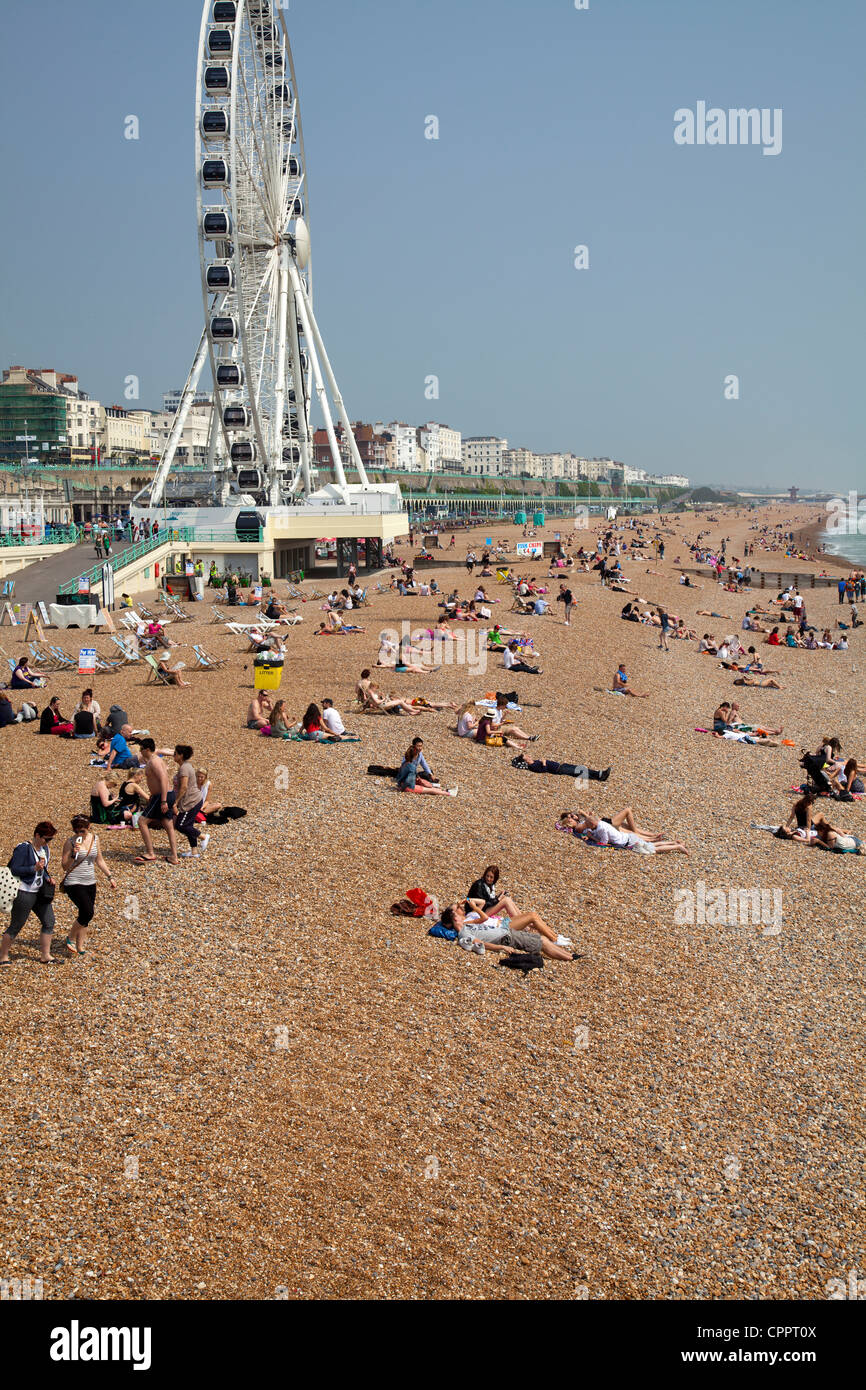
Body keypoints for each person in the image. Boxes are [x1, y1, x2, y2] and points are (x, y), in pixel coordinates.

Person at [1, 822, 59, 965]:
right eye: (47, 839)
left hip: (39, 892)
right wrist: (33, 868)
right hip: (24, 892)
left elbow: (43, 870)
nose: (48, 842)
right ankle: (3, 957)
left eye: (51, 839)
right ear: (37, 835)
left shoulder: (44, 849)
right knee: (16, 925)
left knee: (49, 921)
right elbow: (14, 869)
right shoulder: (24, 848)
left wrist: (47, 877)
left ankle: (46, 955)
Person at [442, 901, 574, 961]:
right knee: (542, 943)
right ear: (455, 918)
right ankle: (569, 958)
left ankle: (569, 955)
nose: (460, 912)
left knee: (543, 939)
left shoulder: (468, 924)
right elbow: (479, 943)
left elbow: (483, 914)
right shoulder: (463, 933)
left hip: (505, 930)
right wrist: (501, 947)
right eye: (457, 912)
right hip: (507, 937)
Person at [60, 815, 116, 955]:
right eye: (76, 831)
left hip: (90, 881)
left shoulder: (95, 839)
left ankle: (80, 946)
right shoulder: (70, 842)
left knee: (86, 914)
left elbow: (100, 860)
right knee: (87, 911)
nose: (79, 834)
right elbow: (64, 866)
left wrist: (110, 877)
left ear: (88, 828)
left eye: (82, 831)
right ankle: (71, 938)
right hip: (73, 881)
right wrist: (74, 854)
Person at [558, 809, 688, 854]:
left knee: (653, 849)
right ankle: (672, 842)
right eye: (570, 817)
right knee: (649, 842)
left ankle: (676, 846)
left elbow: (603, 842)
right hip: (625, 837)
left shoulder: (593, 827)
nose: (573, 817)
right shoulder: (591, 825)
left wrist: (592, 838)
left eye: (572, 816)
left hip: (626, 841)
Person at [135, 740, 180, 866]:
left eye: (141, 748)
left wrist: (163, 800)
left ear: (148, 749)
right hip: (163, 795)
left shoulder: (154, 761)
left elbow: (164, 779)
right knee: (168, 824)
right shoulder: (155, 760)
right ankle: (174, 857)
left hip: (161, 796)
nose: (140, 751)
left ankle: (150, 853)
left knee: (142, 821)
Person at [173, 744, 206, 857]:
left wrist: (176, 802)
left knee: (180, 825)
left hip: (191, 801)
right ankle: (194, 852)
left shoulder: (184, 768)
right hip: (192, 800)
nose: (173, 755)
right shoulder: (185, 766)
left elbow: (184, 787)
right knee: (188, 825)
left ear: (181, 755)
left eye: (175, 754)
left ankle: (203, 837)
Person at [511, 753, 610, 781]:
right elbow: (543, 770)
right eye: (526, 757)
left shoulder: (534, 761)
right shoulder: (532, 766)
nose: (528, 756)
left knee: (581, 768)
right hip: (559, 770)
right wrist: (544, 762)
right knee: (580, 771)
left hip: (561, 766)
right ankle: (599, 776)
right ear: (525, 761)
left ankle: (599, 774)